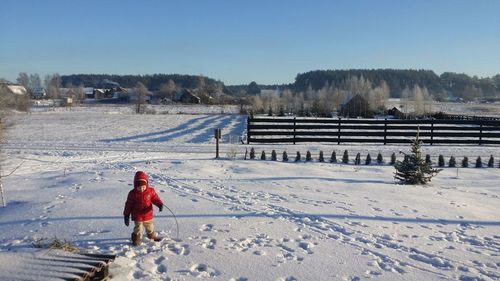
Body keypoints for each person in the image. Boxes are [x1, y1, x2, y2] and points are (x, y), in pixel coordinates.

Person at [123, 171, 164, 246]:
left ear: (146, 184)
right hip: (137, 215)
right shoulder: (132, 193)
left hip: (147, 214)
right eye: (139, 187)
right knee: (138, 228)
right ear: (135, 185)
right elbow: (128, 205)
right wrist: (126, 215)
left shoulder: (150, 191)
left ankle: (151, 236)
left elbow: (155, 199)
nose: (141, 189)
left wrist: (159, 204)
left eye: (143, 187)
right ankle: (136, 239)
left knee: (150, 227)